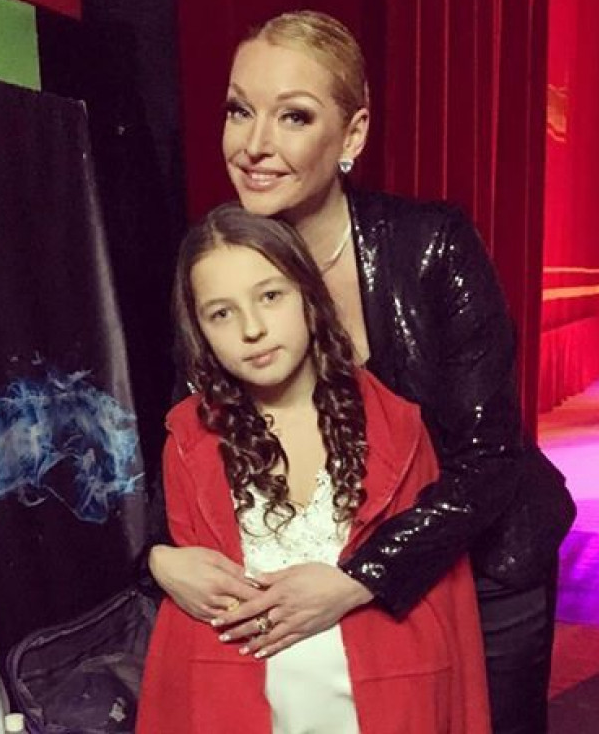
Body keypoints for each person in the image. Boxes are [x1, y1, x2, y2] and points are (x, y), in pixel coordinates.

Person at [148, 11, 575, 733]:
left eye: (293, 116)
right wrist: (158, 557)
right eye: (239, 110)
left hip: (481, 566)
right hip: (314, 595)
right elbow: (188, 436)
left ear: (351, 136)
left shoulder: (431, 245)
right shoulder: (222, 260)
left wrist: (358, 578)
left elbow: (489, 459)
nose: (254, 145)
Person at [137, 204, 490, 733]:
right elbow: (175, 631)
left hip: (384, 708)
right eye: (221, 313)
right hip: (240, 713)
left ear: (308, 293)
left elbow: (447, 611)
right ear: (199, 331)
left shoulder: (395, 428)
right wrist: (160, 560)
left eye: (270, 296)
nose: (252, 329)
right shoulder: (188, 439)